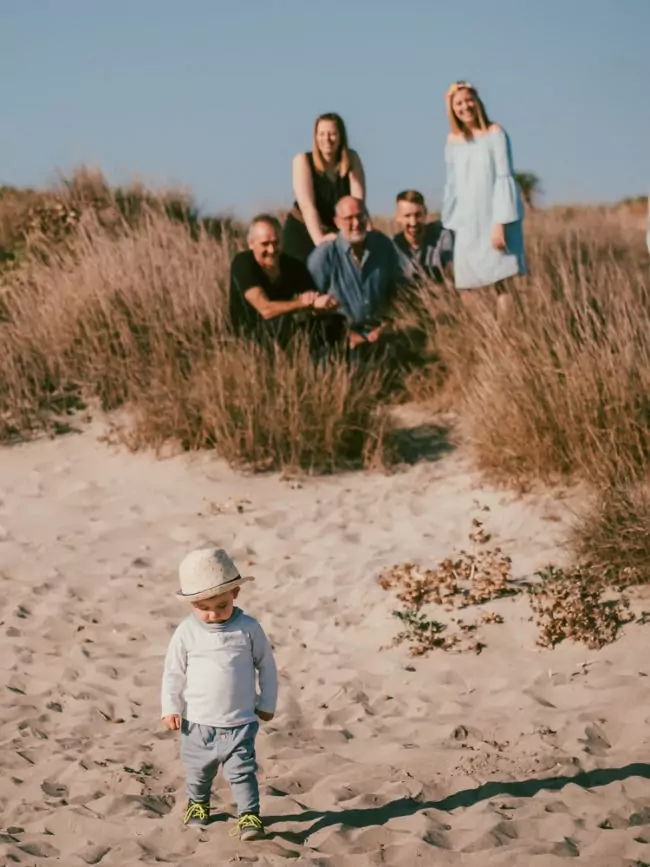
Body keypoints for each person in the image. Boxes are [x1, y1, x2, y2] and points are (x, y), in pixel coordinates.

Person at [161, 547, 278, 840]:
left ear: (235, 593)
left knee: (242, 772)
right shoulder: (186, 632)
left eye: (221, 606)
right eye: (203, 608)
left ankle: (249, 816)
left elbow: (267, 666)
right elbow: (173, 672)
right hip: (196, 722)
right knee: (199, 772)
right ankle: (198, 805)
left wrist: (266, 702)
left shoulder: (249, 628)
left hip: (240, 721)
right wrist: (170, 707)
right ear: (190, 604)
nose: (213, 615)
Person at [442, 80, 526, 318]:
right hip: (468, 221)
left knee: (502, 280)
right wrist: (452, 222)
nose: (465, 107)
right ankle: (486, 333)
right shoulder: (453, 140)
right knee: (466, 283)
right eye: (458, 103)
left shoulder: (495, 133)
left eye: (469, 100)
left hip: (494, 218)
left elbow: (504, 177)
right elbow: (452, 183)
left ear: (478, 101)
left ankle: (506, 336)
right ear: (452, 108)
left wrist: (500, 223)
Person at [307, 196, 402, 353]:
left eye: (360, 216)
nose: (356, 223)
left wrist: (387, 325)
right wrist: (345, 334)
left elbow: (396, 293)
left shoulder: (383, 246)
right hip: (340, 339)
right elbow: (309, 306)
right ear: (336, 222)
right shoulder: (324, 255)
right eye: (349, 218)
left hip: (380, 334)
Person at [229, 214, 339, 348]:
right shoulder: (243, 263)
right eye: (265, 244)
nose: (271, 250)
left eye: (276, 243)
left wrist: (322, 303)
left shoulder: (293, 265)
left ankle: (330, 364)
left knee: (333, 322)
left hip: (287, 326)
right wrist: (301, 303)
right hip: (250, 335)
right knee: (282, 323)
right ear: (251, 244)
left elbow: (311, 298)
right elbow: (265, 309)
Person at [282, 112, 368, 263]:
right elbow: (307, 206)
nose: (326, 139)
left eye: (332, 134)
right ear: (315, 137)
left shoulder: (352, 159)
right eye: (321, 134)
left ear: (341, 136)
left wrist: (365, 234)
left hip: (338, 231)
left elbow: (358, 204)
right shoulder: (303, 161)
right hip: (303, 232)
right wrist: (320, 242)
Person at [393, 189, 454, 285]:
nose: (413, 223)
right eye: (407, 216)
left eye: (417, 215)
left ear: (425, 213)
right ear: (398, 217)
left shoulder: (443, 236)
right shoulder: (392, 247)